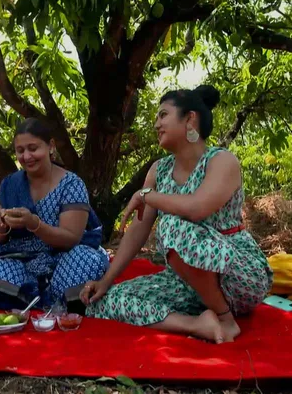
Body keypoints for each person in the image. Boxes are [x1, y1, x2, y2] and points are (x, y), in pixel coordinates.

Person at [80, 85, 273, 344]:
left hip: (236, 275)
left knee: (172, 225)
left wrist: (144, 195)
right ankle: (196, 324)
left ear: (189, 118)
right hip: (187, 282)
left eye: (163, 115)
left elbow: (196, 208)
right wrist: (106, 280)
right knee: (105, 302)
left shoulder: (221, 161)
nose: (156, 124)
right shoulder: (158, 170)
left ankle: (225, 318)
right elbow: (138, 230)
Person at [0, 118, 109, 310]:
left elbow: (71, 238)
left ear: (50, 147)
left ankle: (48, 298)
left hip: (65, 256)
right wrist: (1, 226)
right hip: (22, 259)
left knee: (84, 264)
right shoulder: (10, 185)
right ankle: (44, 299)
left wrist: (34, 224)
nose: (27, 156)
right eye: (20, 151)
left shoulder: (71, 184)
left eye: (33, 148)